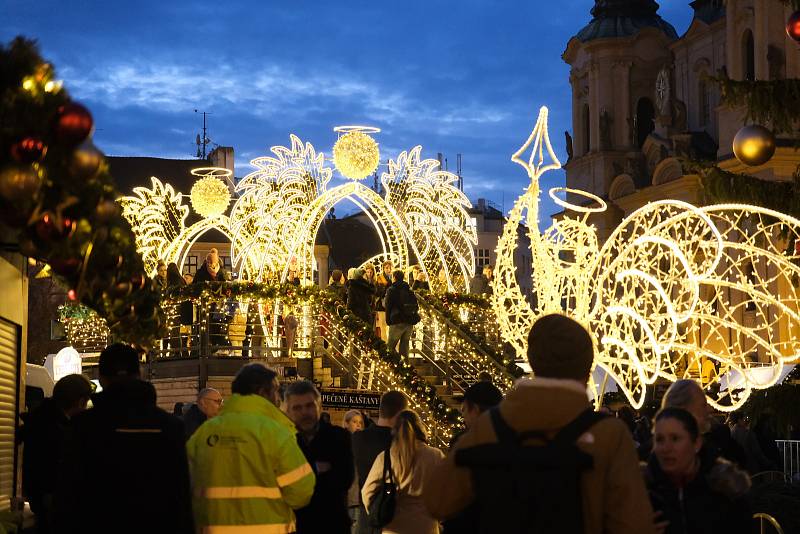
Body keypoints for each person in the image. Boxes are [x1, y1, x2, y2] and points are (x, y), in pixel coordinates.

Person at [424, 313, 656, 534]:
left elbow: (438, 501)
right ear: (587, 369)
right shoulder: (608, 435)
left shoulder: (491, 426)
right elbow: (633, 525)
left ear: (533, 361)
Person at [56, 344, 193, 533]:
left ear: (102, 379)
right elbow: (182, 497)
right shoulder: (170, 427)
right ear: (140, 373)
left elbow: (68, 497)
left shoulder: (83, 427)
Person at [187, 363, 315, 532]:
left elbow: (184, 486)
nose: (278, 398)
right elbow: (301, 492)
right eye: (275, 391)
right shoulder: (276, 433)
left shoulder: (203, 434)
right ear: (263, 393)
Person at [645, 407, 751, 534]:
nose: (666, 448)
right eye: (659, 439)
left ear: (696, 443)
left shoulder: (727, 492)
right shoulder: (643, 496)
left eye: (675, 438)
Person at [21, 374, 92, 534]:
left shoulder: (39, 420)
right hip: (54, 509)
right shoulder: (61, 430)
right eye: (85, 403)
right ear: (80, 402)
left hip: (40, 503)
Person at [285, 380, 354, 534]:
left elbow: (343, 479)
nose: (304, 412)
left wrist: (299, 474)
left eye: (309, 406)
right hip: (298, 527)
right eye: (297, 408)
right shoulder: (285, 441)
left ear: (319, 407)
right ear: (288, 412)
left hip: (333, 526)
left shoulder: (339, 437)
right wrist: (317, 469)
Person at [363, 410, 444, 534]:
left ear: (395, 431)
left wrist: (379, 512)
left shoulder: (386, 457)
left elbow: (367, 492)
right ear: (420, 428)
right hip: (426, 527)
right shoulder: (436, 455)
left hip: (393, 528)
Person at [352, 391, 409, 534]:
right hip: (396, 517)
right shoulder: (403, 443)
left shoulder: (357, 439)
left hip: (366, 515)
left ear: (380, 410)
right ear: (402, 414)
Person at [384, 270, 418, 359]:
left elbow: (388, 306)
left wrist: (388, 320)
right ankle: (405, 369)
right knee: (404, 348)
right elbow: (416, 305)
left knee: (390, 347)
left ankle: (393, 368)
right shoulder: (408, 289)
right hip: (409, 321)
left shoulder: (392, 290)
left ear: (394, 278)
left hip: (397, 320)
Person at [343, 410, 365, 532]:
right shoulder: (345, 442)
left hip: (360, 496)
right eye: (354, 422)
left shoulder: (363, 443)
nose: (358, 425)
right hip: (350, 496)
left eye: (360, 423)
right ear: (346, 424)